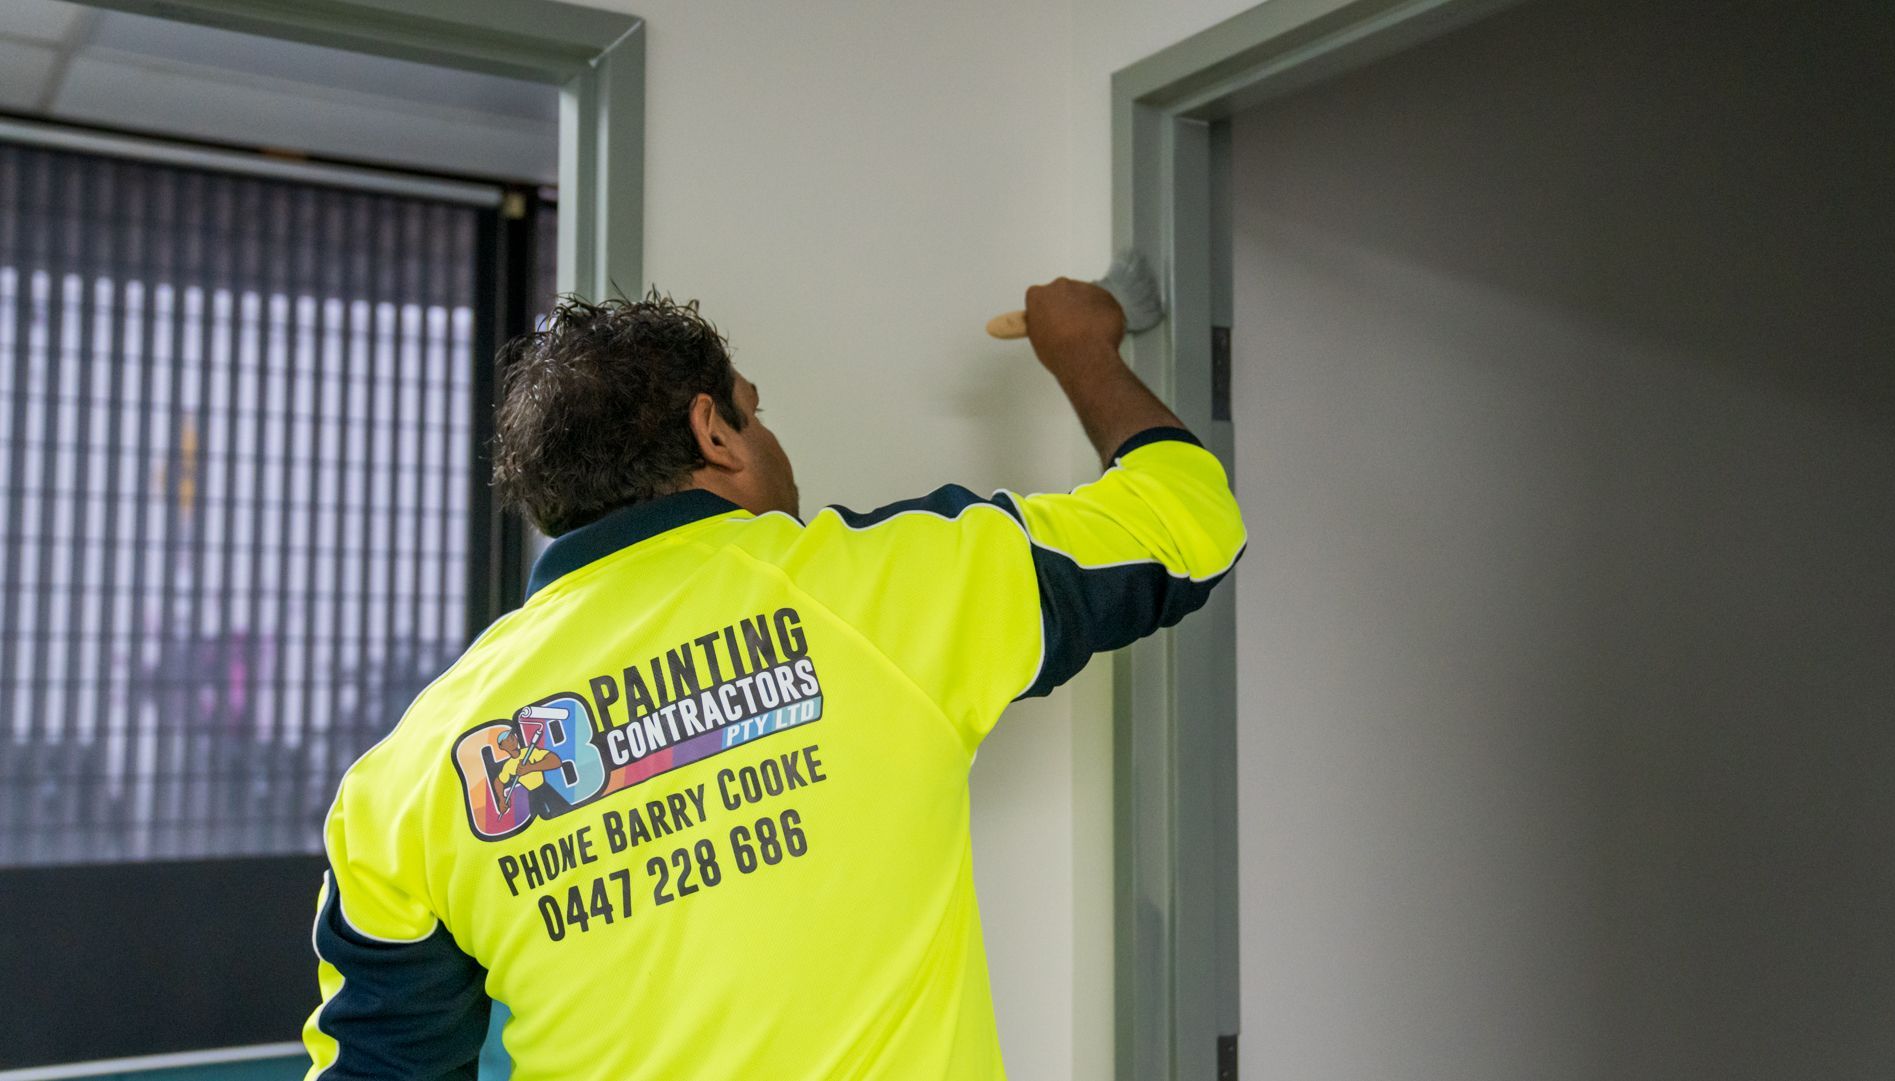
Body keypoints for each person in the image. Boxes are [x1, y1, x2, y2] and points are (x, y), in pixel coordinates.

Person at [301, 277, 1245, 1079]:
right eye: (757, 406)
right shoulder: (884, 587)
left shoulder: (410, 771)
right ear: (715, 431)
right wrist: (1080, 347)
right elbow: (1186, 523)